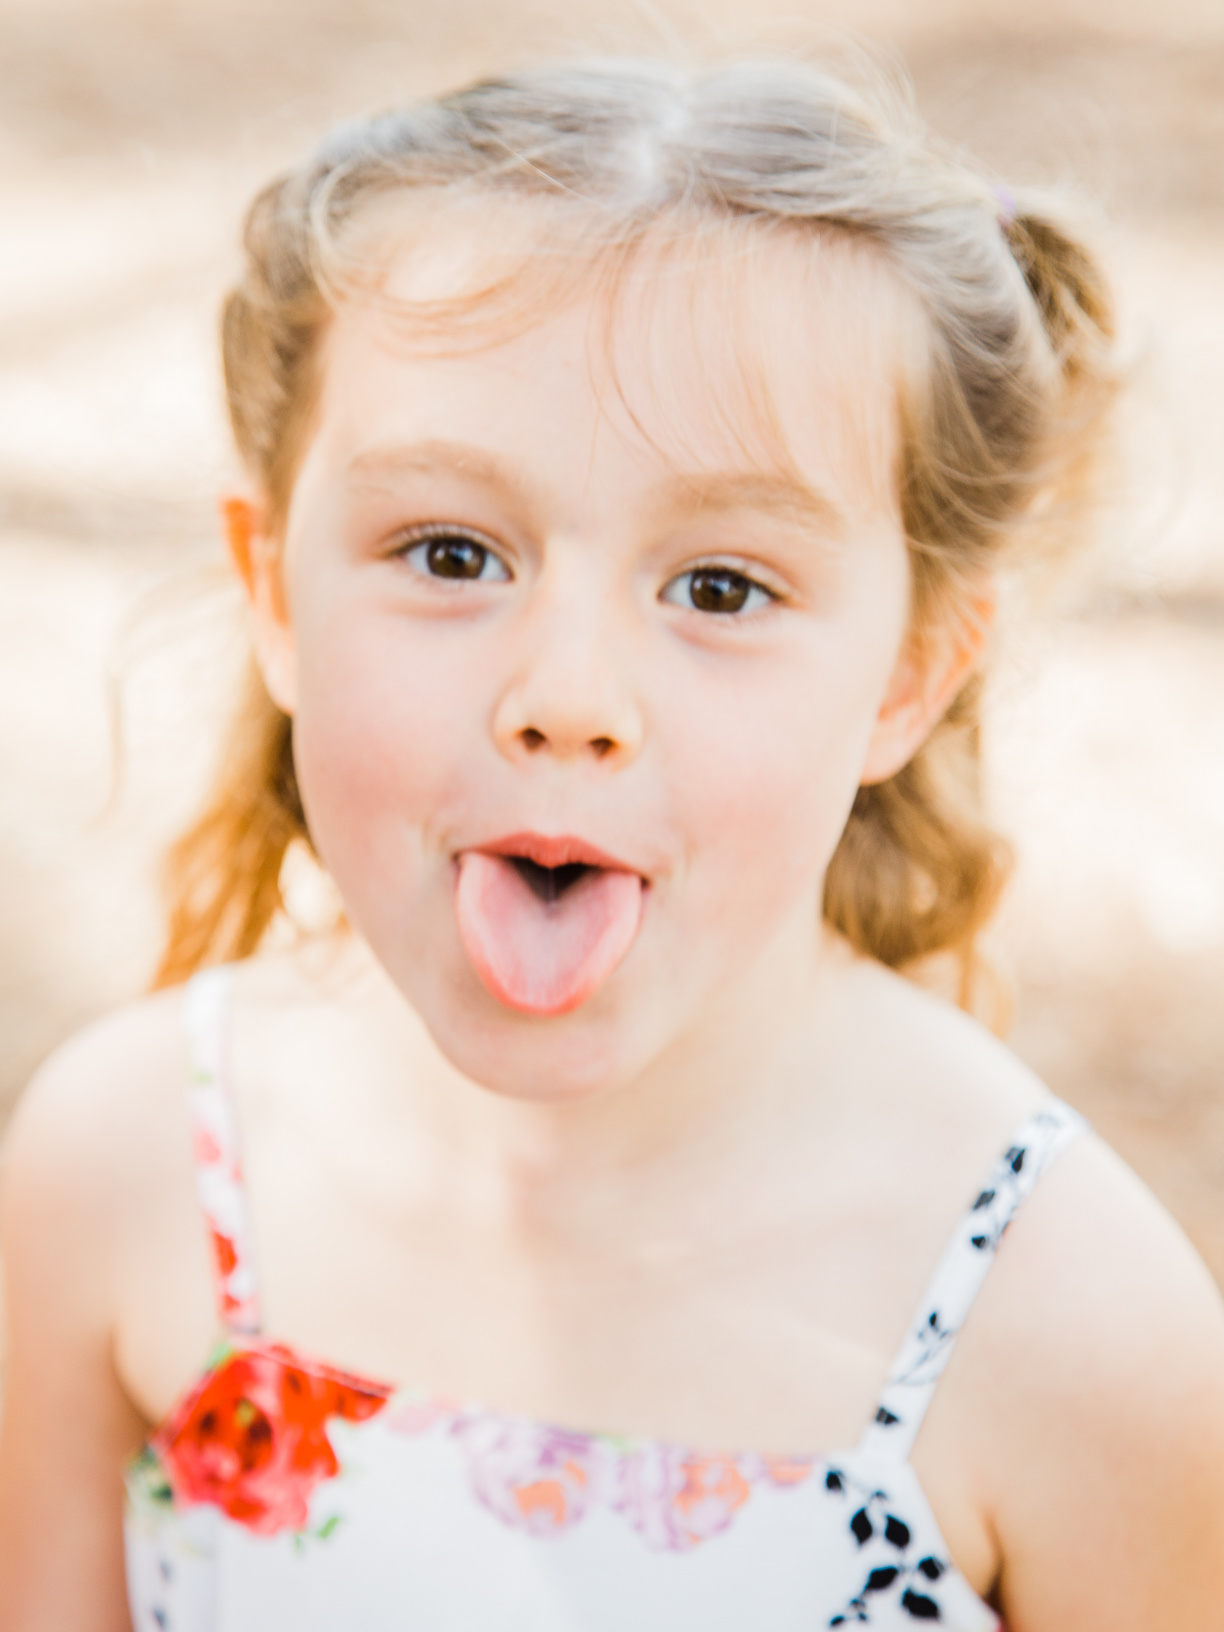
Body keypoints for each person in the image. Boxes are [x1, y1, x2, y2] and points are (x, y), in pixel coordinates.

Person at [2, 54, 1223, 1632]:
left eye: (721, 588)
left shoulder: (1079, 1337)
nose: (567, 700)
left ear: (913, 672)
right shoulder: (123, 1170)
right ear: (277, 591)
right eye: (451, 552)